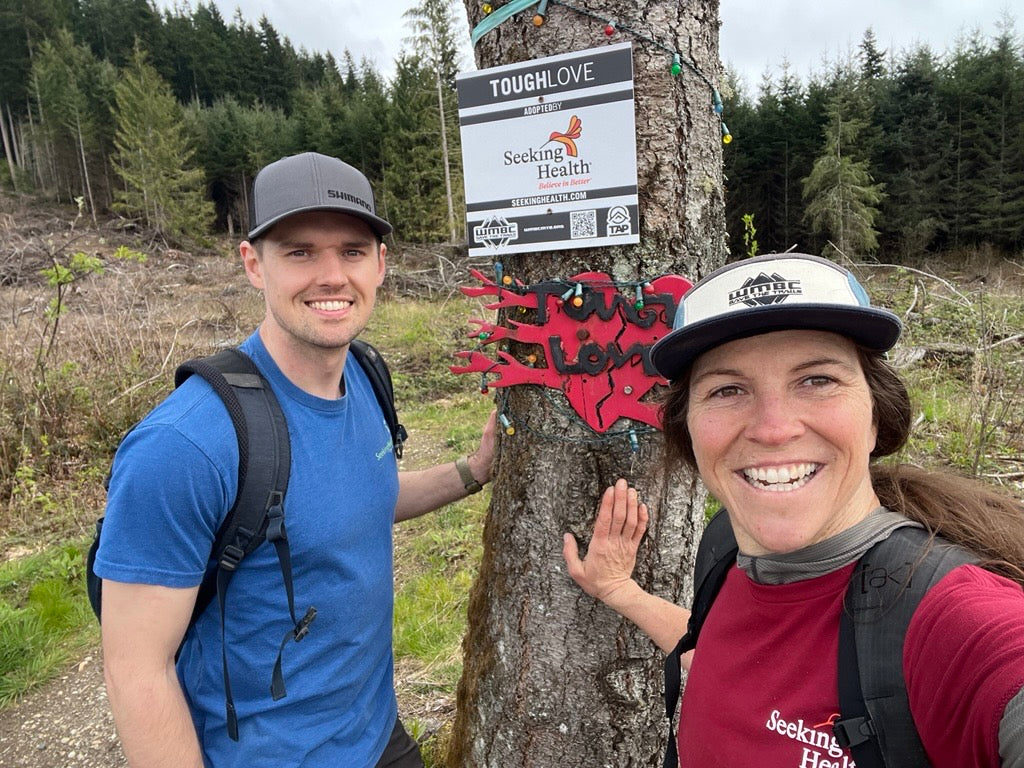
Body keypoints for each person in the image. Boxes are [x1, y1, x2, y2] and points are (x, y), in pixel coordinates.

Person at [94, 151, 496, 768]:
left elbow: (360, 498)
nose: (332, 276)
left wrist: (475, 468)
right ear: (254, 264)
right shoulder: (185, 446)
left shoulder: (365, 374)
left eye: (353, 250)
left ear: (382, 264)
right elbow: (135, 668)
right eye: (300, 251)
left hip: (376, 734)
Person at [563, 252, 1024, 766]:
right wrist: (619, 590)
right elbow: (726, 657)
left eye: (817, 380)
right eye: (728, 389)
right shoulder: (726, 549)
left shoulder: (957, 620)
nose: (774, 428)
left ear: (877, 417)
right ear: (687, 432)